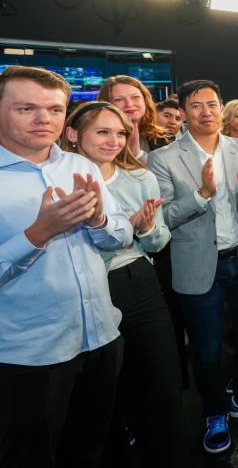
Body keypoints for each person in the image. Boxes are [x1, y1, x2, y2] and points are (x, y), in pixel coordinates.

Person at [0, 66, 132, 468]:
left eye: (55, 109)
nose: (44, 119)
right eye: (27, 108)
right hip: (31, 354)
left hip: (100, 336)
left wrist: (98, 221)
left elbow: (121, 234)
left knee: (89, 449)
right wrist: (38, 234)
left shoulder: (80, 166)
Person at [148, 80, 238, 455]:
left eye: (212, 104)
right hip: (198, 264)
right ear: (184, 112)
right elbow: (164, 217)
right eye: (197, 106)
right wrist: (202, 195)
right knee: (207, 349)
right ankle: (214, 412)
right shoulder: (163, 158)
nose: (206, 112)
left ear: (220, 107)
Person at [59, 101, 184, 467]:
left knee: (163, 381)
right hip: (85, 290)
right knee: (103, 392)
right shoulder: (55, 180)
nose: (113, 141)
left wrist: (145, 227)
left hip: (137, 281)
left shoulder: (141, 178)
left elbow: (158, 243)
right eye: (103, 132)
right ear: (72, 134)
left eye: (120, 133)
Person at [97, 75, 172, 162]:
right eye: (119, 99)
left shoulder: (165, 139)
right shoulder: (97, 138)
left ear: (145, 100)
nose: (129, 104)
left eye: (135, 97)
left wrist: (138, 154)